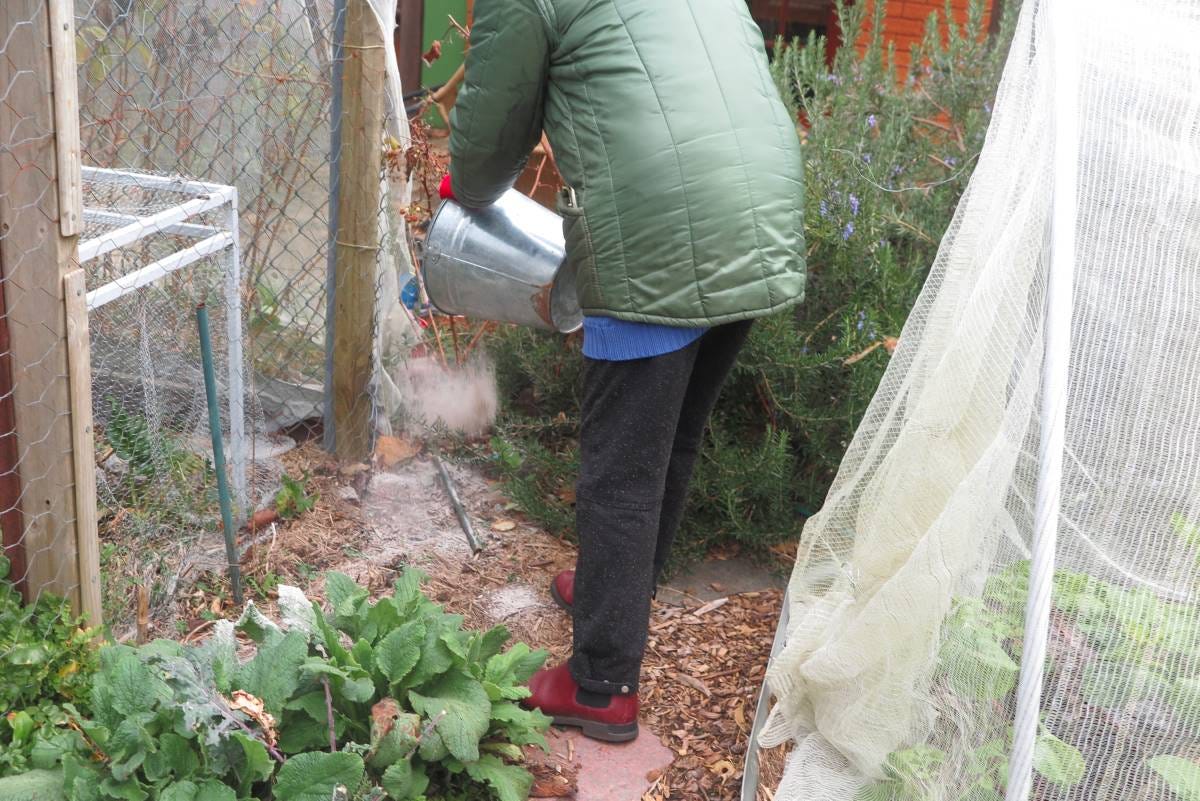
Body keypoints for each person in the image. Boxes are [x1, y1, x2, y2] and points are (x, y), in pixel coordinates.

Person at [441, 0, 805, 743]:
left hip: (658, 225)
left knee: (620, 473)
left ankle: (600, 683)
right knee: (669, 440)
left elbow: (489, 132)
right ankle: (619, 591)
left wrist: (469, 191)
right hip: (758, 212)